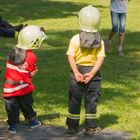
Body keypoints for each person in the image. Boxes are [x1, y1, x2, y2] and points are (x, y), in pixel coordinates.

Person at [66, 5, 105, 135]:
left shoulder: (75, 39)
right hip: (93, 73)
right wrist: (93, 73)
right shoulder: (100, 41)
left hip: (76, 72)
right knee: (91, 100)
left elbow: (71, 56)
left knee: (74, 99)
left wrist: (76, 72)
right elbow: (100, 58)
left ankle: (72, 127)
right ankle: (91, 127)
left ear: (80, 20)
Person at [3, 25, 48, 134]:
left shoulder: (12, 52)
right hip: (24, 88)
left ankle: (12, 127)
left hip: (9, 88)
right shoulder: (31, 56)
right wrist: (32, 74)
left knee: (12, 108)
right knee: (27, 106)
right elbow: (29, 73)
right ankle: (32, 122)